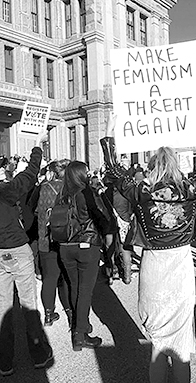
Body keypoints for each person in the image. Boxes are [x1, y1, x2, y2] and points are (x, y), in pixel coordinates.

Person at [100, 102, 196, 383]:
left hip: (153, 263)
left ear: (151, 167)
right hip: (180, 265)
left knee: (158, 345)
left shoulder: (141, 191)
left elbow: (115, 171)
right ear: (177, 165)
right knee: (180, 346)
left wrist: (109, 132)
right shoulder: (190, 188)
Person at [0, 131, 53, 377]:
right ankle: (39, 354)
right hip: (17, 249)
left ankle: (5, 361)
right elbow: (30, 175)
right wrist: (37, 148)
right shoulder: (6, 191)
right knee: (28, 305)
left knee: (2, 309)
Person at [58, 161, 111, 351]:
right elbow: (98, 215)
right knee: (86, 289)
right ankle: (80, 334)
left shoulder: (62, 194)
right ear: (80, 174)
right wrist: (108, 232)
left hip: (65, 246)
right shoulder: (85, 192)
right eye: (86, 172)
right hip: (86, 245)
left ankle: (80, 324)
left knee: (75, 286)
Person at [36, 159, 72, 326]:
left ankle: (49, 315)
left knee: (49, 279)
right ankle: (71, 314)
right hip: (67, 238)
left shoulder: (44, 188)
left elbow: (37, 211)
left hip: (46, 238)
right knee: (68, 278)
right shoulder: (71, 189)